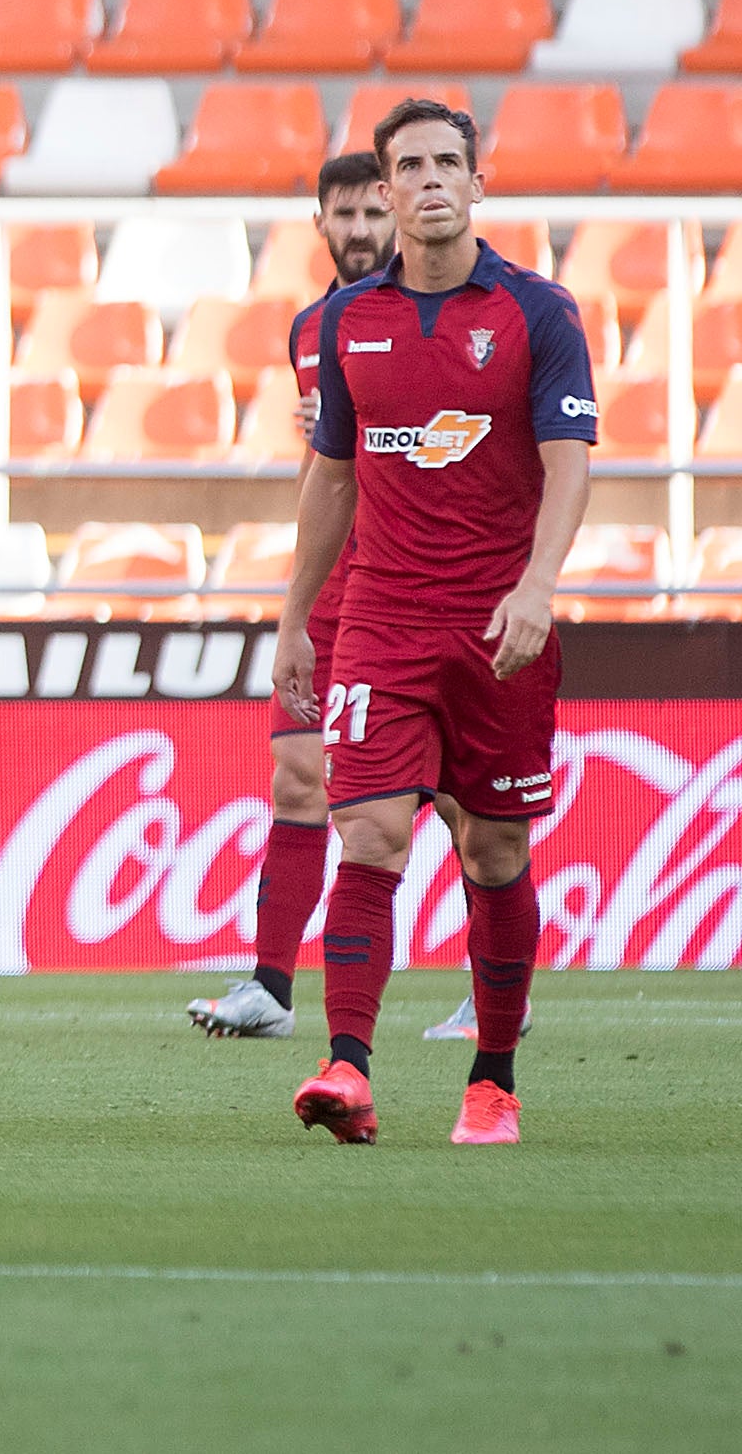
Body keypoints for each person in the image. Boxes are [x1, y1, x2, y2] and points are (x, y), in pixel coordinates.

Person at [277, 97, 594, 1148]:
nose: (425, 180)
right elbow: (328, 483)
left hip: (499, 627)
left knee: (495, 853)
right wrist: (292, 623)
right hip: (381, 621)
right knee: (366, 831)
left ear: (476, 180)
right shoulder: (346, 324)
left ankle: (491, 1079)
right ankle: (347, 1066)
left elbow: (568, 464)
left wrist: (538, 585)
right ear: (385, 184)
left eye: (443, 162)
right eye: (405, 164)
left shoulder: (536, 314)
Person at [187, 151, 395, 1042]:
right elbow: (324, 472)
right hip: (333, 585)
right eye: (340, 214)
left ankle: (496, 987)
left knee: (465, 805)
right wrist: (298, 602)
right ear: (319, 222)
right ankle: (271, 986)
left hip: (415, 579)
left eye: (369, 213)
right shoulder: (312, 328)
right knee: (296, 774)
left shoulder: (445, 313)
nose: (357, 230)